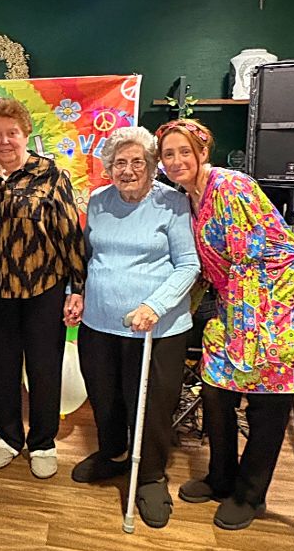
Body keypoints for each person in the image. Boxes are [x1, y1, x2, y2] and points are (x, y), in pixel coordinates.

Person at [156, 118, 294, 530]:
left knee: (268, 400)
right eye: (168, 154)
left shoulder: (230, 186)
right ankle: (221, 477)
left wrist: (244, 337)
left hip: (278, 300)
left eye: (184, 152)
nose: (176, 161)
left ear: (202, 152)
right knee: (216, 389)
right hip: (238, 301)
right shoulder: (189, 198)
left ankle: (250, 494)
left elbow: (249, 260)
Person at [73, 126, 200, 529]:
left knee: (151, 405)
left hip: (156, 329)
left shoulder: (172, 203)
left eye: (137, 162)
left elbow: (189, 265)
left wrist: (154, 305)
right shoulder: (98, 201)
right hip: (99, 322)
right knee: (105, 397)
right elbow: (87, 256)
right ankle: (113, 454)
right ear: (109, 167)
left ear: (151, 165)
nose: (127, 170)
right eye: (119, 163)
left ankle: (150, 476)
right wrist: (77, 292)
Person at [0, 98, 85, 479]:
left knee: (44, 368)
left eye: (12, 133)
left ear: (26, 134)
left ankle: (43, 442)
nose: (5, 141)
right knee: (3, 368)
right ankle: (8, 437)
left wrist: (77, 287)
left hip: (44, 288)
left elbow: (70, 233)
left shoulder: (51, 175)